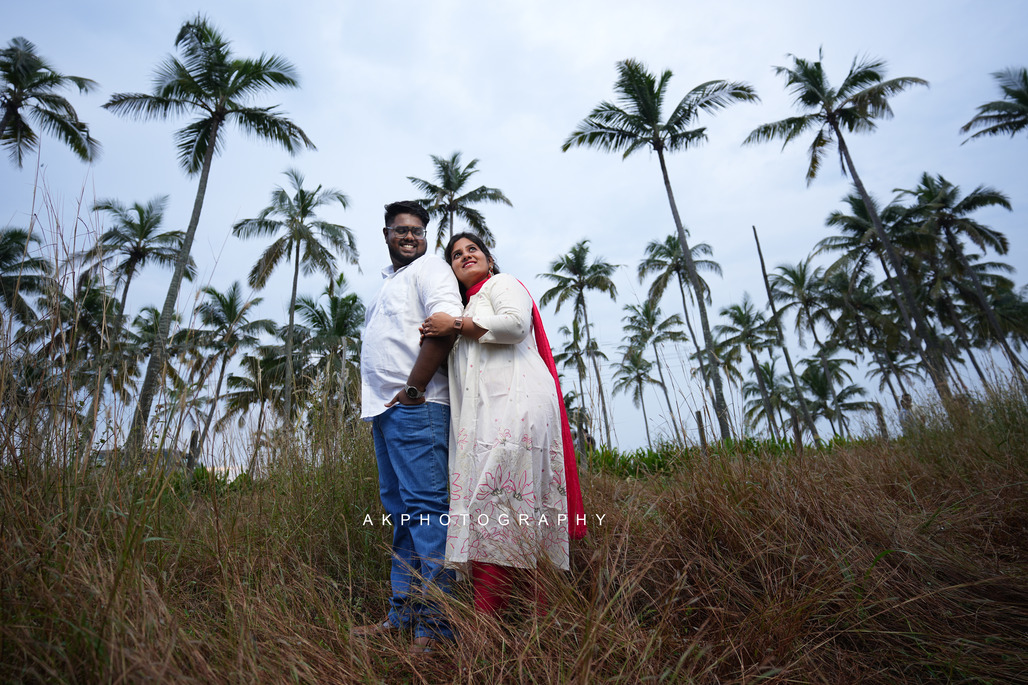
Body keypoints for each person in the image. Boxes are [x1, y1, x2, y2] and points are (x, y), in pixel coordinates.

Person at [420, 232, 586, 617]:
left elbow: (513, 325)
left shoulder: (501, 284)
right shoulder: (465, 311)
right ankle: (534, 623)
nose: (465, 256)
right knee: (508, 512)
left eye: (472, 249)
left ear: (489, 259)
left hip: (518, 410)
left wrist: (456, 324)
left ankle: (490, 625)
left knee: (497, 507)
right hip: (485, 421)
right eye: (456, 255)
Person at [353, 201, 463, 654]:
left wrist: (414, 389)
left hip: (419, 408)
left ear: (426, 236)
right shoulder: (387, 284)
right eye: (401, 230)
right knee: (401, 517)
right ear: (386, 234)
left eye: (417, 230)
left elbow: (444, 326)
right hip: (384, 412)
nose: (409, 236)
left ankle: (437, 629)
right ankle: (403, 616)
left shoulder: (432, 269)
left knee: (426, 512)